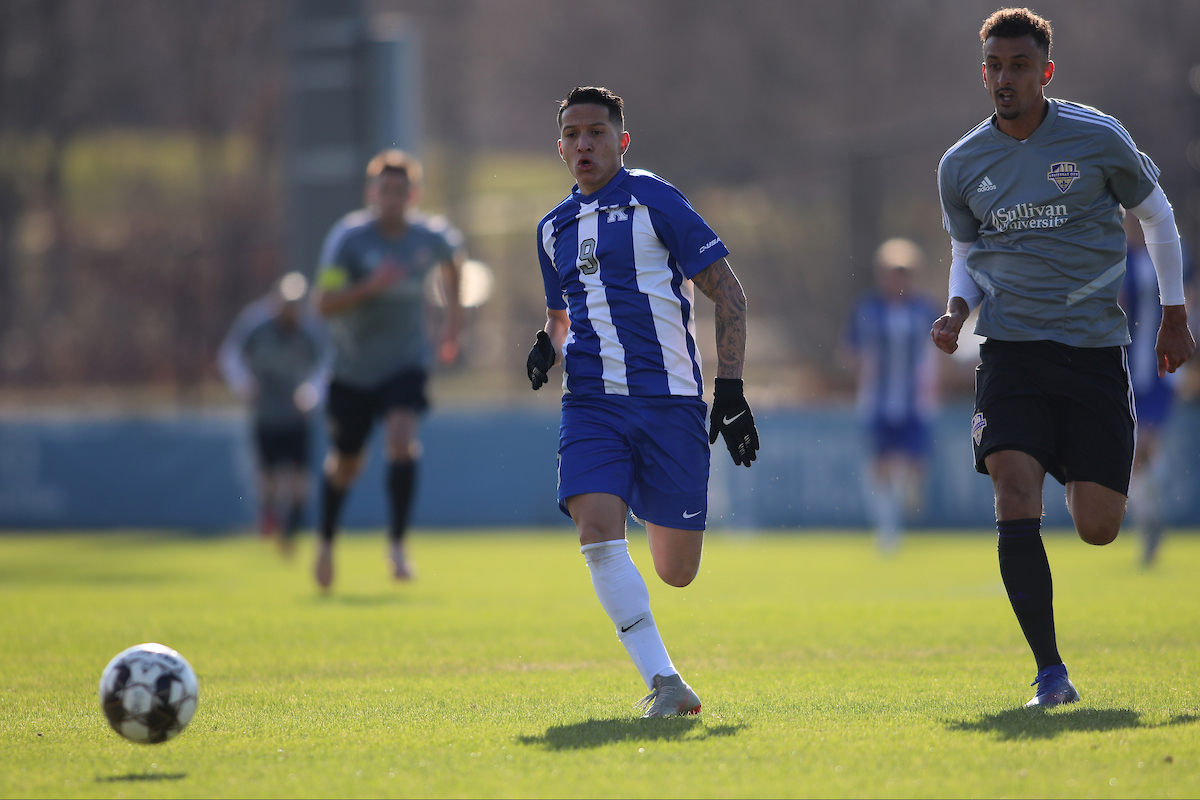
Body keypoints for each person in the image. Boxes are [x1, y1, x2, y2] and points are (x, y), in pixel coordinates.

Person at [931, 8, 1194, 708]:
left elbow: (1158, 216)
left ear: (1045, 72)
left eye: (1019, 65)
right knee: (1012, 491)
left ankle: (1066, 461)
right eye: (994, 65)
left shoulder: (1098, 138)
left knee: (1098, 527)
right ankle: (1051, 674)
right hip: (1012, 350)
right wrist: (958, 311)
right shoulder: (961, 164)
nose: (1005, 77)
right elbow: (965, 254)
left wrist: (1174, 316)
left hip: (1093, 352)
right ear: (981, 70)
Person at [528, 86, 759, 718]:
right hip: (592, 405)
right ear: (560, 147)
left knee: (676, 571)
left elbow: (729, 295)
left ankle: (638, 502)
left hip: (671, 405)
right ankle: (667, 683)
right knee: (596, 532)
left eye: (596, 132)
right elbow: (561, 316)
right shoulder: (552, 229)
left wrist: (731, 390)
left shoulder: (656, 200)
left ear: (621, 141)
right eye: (572, 134)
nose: (584, 144)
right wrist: (546, 347)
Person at [312, 149, 463, 590]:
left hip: (405, 362)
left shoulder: (427, 238)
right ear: (371, 194)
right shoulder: (350, 242)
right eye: (384, 191)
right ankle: (325, 542)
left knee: (401, 435)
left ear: (412, 195)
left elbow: (454, 261)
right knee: (346, 464)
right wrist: (370, 286)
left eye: (401, 192)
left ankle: (397, 545)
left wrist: (452, 325)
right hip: (352, 368)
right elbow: (323, 304)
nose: (392, 199)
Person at [218, 271, 330, 554]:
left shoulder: (310, 329)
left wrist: (311, 393)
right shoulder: (255, 323)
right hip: (266, 411)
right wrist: (244, 384)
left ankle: (293, 526)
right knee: (267, 474)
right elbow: (229, 355)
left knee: (300, 477)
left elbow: (326, 365)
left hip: (296, 412)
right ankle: (268, 515)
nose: (291, 310)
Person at [842, 239, 940, 553]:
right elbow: (850, 350)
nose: (898, 279)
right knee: (881, 466)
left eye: (904, 272)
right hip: (878, 400)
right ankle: (888, 530)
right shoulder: (867, 308)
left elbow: (941, 353)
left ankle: (903, 506)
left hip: (916, 401)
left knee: (914, 468)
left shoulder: (926, 309)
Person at [1120, 210, 1188, 566]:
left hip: (1161, 371)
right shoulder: (1119, 257)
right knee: (1138, 456)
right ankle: (1149, 519)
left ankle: (1150, 524)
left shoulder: (1172, 250)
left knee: (1142, 451)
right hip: (1128, 371)